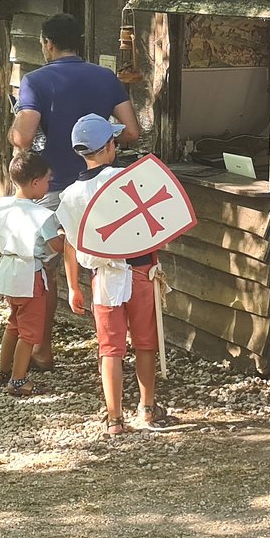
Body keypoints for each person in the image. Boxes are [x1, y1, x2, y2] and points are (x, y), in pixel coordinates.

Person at [8, 12, 141, 370]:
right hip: (99, 187)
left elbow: (22, 138)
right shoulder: (104, 76)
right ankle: (113, 349)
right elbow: (131, 131)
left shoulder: (35, 81)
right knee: (107, 264)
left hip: (52, 186)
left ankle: (42, 349)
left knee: (45, 270)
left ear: (47, 44)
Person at [56, 114, 173, 435]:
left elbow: (69, 244)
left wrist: (72, 287)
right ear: (109, 145)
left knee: (110, 349)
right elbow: (156, 225)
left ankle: (114, 419)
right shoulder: (128, 180)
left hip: (103, 279)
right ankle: (147, 409)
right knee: (145, 344)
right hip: (140, 272)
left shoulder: (70, 196)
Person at [0, 152, 63, 397]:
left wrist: (10, 247)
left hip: (7, 270)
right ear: (35, 182)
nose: (49, 185)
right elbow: (57, 247)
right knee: (30, 330)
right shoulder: (42, 215)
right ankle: (18, 380)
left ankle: (2, 370)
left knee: (14, 322)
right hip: (31, 273)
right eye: (48, 180)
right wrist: (65, 234)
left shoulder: (1, 205)